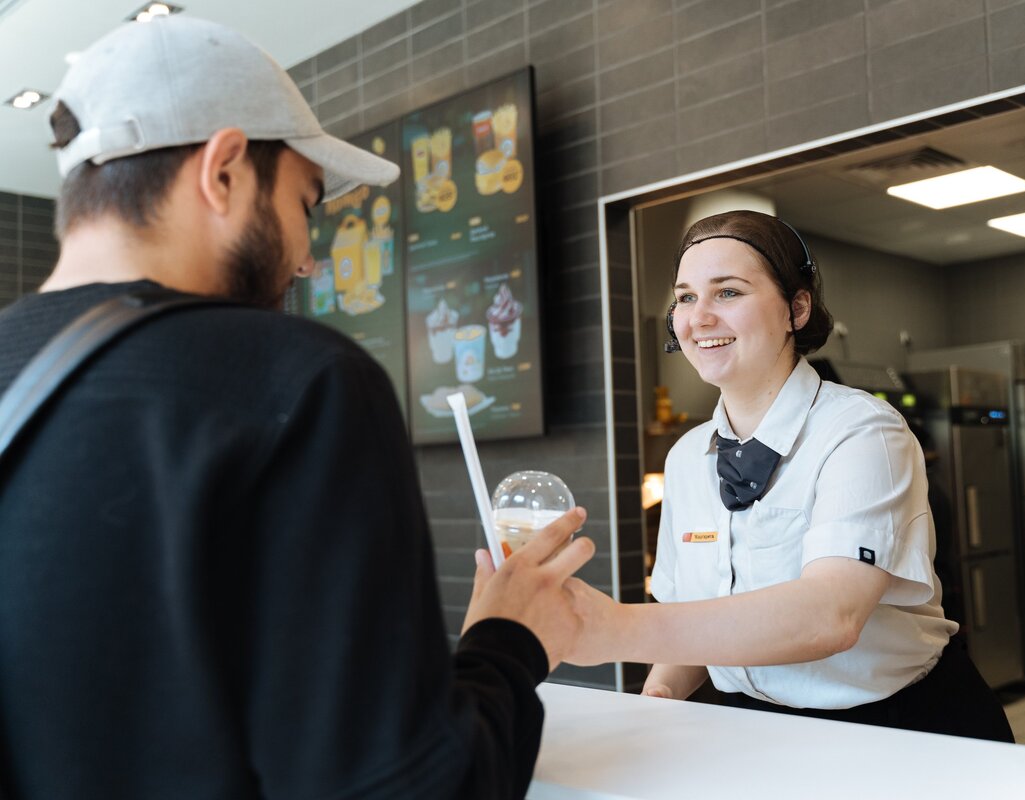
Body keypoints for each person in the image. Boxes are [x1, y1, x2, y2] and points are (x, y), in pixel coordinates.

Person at [0, 17, 594, 799]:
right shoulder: (303, 381)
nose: (310, 256)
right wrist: (508, 642)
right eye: (306, 205)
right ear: (224, 171)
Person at [564, 210, 1013, 742]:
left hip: (900, 730)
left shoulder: (861, 431)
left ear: (796, 309)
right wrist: (659, 697)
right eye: (685, 297)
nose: (699, 317)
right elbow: (691, 618)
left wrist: (613, 629)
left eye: (727, 292)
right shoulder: (687, 458)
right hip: (763, 730)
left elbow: (830, 615)